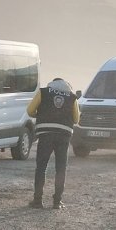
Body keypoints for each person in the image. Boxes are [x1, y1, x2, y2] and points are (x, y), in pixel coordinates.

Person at [27, 78, 81, 209]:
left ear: (52, 83)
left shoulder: (43, 92)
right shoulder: (72, 97)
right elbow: (76, 119)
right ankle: (57, 202)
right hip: (63, 136)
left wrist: (40, 114)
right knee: (61, 168)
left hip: (45, 134)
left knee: (41, 167)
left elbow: (30, 111)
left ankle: (37, 201)